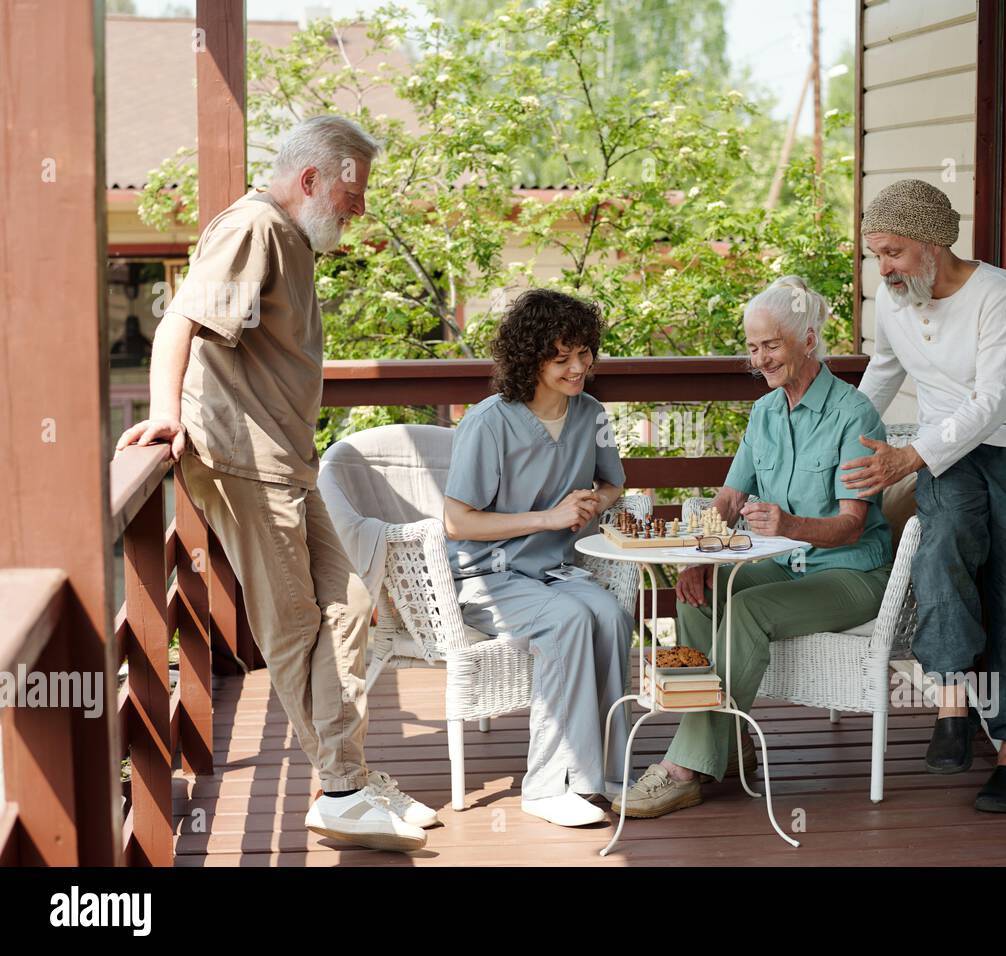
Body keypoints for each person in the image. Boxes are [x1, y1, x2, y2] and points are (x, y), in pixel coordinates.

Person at [114, 115, 433, 852]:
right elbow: (179, 324)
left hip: (287, 462)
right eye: (354, 192)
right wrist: (165, 413)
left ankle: (343, 774)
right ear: (311, 179)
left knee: (352, 603)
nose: (361, 208)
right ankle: (345, 788)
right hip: (242, 460)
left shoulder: (292, 241)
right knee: (293, 626)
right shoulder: (254, 225)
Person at [613, 276, 894, 819]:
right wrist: (698, 560)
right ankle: (729, 745)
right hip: (786, 567)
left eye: (771, 345)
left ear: (808, 341)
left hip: (851, 575)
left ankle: (684, 767)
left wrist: (789, 525)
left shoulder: (853, 414)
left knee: (746, 608)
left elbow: (851, 527)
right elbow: (728, 498)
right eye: (752, 347)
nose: (760, 359)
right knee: (699, 591)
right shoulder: (765, 412)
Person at [842, 178, 1006, 813]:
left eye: (893, 252)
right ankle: (953, 705)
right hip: (948, 447)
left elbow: (993, 402)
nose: (882, 268)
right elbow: (883, 371)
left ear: (933, 246)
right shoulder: (892, 300)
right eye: (875, 254)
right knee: (940, 550)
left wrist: (910, 456)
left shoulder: (999, 294)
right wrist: (842, 439)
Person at [442, 288, 634, 828]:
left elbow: (613, 484)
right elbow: (458, 522)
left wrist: (594, 502)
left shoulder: (591, 413)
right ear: (532, 358)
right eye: (562, 358)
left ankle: (605, 775)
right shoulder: (489, 422)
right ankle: (547, 785)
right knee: (570, 621)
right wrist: (550, 518)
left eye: (584, 354)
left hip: (554, 570)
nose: (579, 368)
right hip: (487, 576)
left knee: (612, 618)